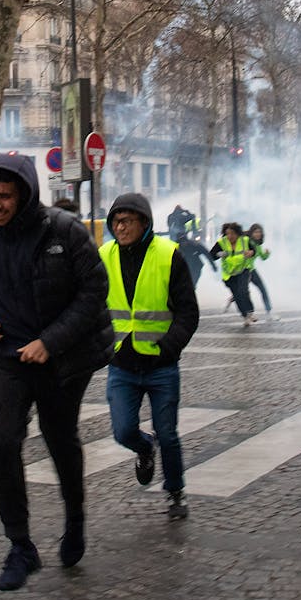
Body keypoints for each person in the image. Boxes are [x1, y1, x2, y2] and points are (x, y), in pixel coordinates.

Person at [0, 152, 113, 591]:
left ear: (25, 194)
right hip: (2, 353)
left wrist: (50, 341)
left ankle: (75, 517)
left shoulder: (63, 230)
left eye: (5, 196)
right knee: (0, 438)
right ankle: (20, 545)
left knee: (59, 438)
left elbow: (94, 290)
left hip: (61, 356)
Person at [100, 194, 199, 520]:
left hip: (160, 365)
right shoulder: (104, 255)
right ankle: (144, 449)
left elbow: (188, 312)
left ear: (144, 223)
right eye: (116, 221)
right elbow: (91, 304)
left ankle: (175, 492)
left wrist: (170, 346)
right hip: (122, 364)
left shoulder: (168, 254)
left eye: (127, 221)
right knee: (123, 432)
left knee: (167, 433)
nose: (120, 227)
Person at [209, 222, 257, 326]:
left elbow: (254, 250)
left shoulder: (245, 240)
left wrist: (251, 252)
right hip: (229, 274)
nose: (230, 236)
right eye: (228, 234)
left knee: (243, 290)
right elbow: (211, 255)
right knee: (237, 295)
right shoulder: (222, 242)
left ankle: (250, 312)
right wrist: (219, 254)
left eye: (232, 234)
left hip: (243, 269)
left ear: (238, 233)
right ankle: (245, 316)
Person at [246, 223, 276, 319]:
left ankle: (269, 311)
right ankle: (248, 314)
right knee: (242, 292)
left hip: (252, 270)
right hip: (244, 271)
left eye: (259, 232)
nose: (258, 234)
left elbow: (262, 257)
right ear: (251, 233)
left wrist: (267, 254)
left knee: (263, 289)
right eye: (256, 232)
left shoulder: (258, 245)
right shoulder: (247, 242)